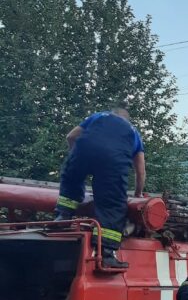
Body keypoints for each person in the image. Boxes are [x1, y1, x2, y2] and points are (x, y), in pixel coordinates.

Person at [55, 105, 146, 270]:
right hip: (113, 163)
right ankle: (107, 254)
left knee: (71, 178)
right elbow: (140, 171)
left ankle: (63, 217)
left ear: (112, 114)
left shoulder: (98, 116)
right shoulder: (133, 133)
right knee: (112, 204)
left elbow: (71, 136)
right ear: (127, 119)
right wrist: (138, 193)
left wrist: (76, 156)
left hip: (84, 151)